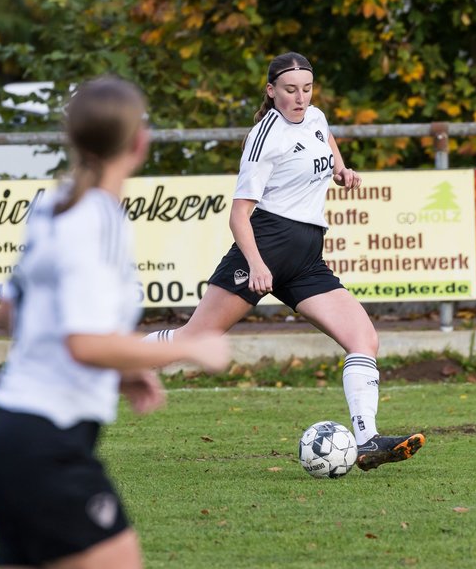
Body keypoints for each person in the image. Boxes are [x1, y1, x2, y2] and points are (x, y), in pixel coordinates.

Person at [0, 76, 230, 569]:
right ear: (139, 143)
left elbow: (11, 313)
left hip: (4, 442)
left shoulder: (52, 208)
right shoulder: (101, 217)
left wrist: (120, 371)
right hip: (48, 450)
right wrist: (187, 347)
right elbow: (84, 341)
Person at [143, 51, 425, 471]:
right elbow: (239, 214)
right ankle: (111, 358)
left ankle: (367, 441)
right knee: (193, 340)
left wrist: (341, 171)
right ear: (271, 90)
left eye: (307, 89)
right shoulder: (264, 136)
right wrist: (257, 265)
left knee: (363, 340)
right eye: (290, 90)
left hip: (308, 258)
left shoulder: (316, 117)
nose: (300, 98)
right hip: (267, 246)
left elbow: (325, 144)